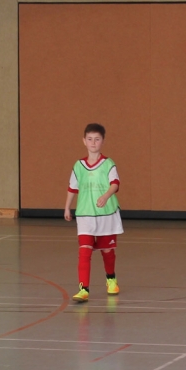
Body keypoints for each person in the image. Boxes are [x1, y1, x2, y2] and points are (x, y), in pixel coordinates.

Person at [64, 123, 122, 303]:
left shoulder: (108, 163)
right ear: (84, 141)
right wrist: (67, 207)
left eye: (97, 139)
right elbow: (72, 188)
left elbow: (115, 184)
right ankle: (83, 289)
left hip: (106, 214)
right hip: (85, 214)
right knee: (84, 250)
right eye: (90, 139)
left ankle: (111, 279)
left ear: (103, 141)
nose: (93, 143)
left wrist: (106, 196)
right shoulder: (78, 165)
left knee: (107, 250)